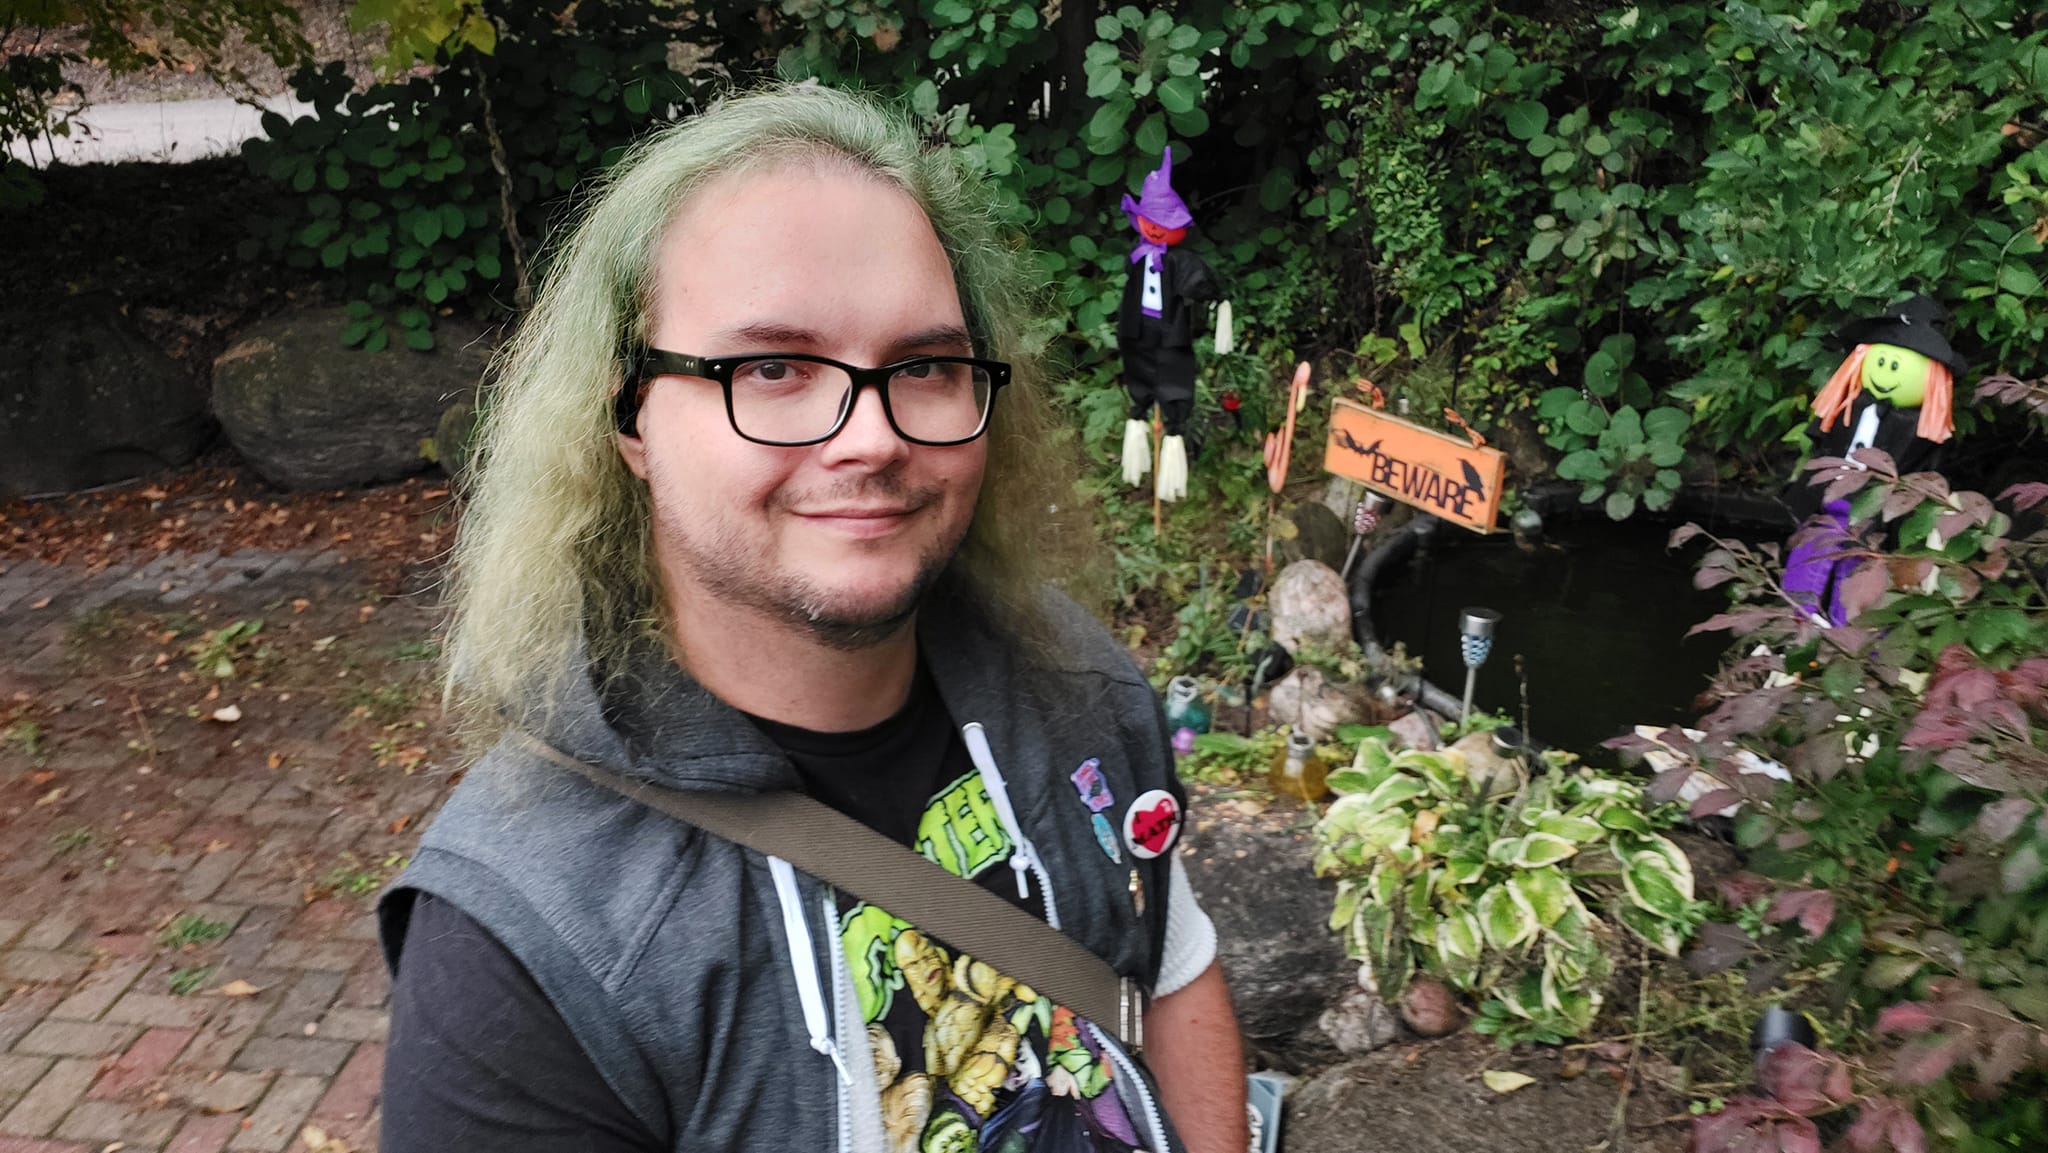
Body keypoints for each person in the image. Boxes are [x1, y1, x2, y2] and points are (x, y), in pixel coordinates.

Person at [376, 84, 1247, 1153]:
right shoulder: (525, 947)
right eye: (773, 368)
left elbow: (1165, 973)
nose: (870, 439)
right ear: (629, 416)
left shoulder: (1073, 682)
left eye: (922, 366)